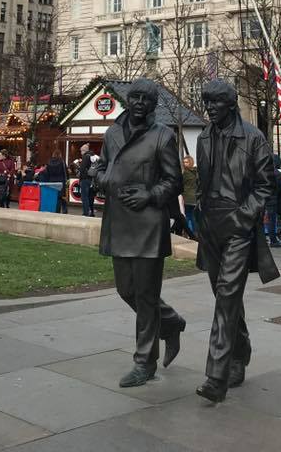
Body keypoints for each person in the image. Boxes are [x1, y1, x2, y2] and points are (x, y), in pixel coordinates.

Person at [91, 78, 186, 388]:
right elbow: (103, 168)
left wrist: (150, 194)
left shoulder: (162, 136)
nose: (140, 103)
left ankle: (145, 362)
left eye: (147, 99)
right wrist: (104, 179)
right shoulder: (112, 133)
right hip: (118, 221)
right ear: (127, 101)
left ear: (154, 104)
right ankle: (170, 322)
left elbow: (174, 181)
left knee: (145, 296)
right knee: (126, 290)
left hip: (148, 223)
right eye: (135, 98)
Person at [195, 80, 279, 403]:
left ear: (230, 104)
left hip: (239, 227)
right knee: (224, 295)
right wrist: (202, 211)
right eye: (207, 103)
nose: (210, 108)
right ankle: (240, 349)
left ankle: (216, 376)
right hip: (211, 227)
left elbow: (265, 186)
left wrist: (243, 218)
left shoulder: (254, 138)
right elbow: (202, 182)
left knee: (227, 296)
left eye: (216, 102)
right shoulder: (203, 137)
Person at [265, 154, 281, 248]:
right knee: (271, 221)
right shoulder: (276, 173)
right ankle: (273, 240)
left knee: (268, 221)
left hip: (266, 199)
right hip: (272, 200)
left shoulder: (266, 171)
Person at [181, 155, 198, 237]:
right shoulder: (196, 173)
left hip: (187, 198)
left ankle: (190, 233)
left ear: (190, 162)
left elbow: (180, 184)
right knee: (193, 217)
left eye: (186, 162)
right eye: (184, 162)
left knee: (188, 216)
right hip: (195, 198)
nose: (184, 164)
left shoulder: (186, 173)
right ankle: (195, 233)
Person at [78, 143, 95, 217]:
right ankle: (91, 212)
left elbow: (82, 169)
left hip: (85, 179)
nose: (81, 153)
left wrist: (80, 176)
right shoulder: (92, 156)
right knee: (90, 197)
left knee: (84, 196)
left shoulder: (85, 156)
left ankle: (86, 212)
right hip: (91, 179)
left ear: (83, 151)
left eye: (81, 151)